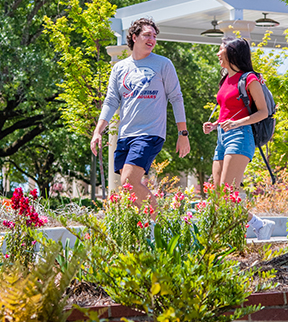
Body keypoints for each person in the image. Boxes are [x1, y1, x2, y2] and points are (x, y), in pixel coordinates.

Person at [90, 18, 190, 214]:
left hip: (150, 133)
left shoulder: (163, 64)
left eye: (154, 36)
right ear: (134, 37)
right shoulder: (120, 68)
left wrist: (183, 133)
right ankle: (148, 228)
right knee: (128, 190)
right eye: (147, 35)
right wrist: (98, 131)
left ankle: (164, 225)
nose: (152, 39)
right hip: (126, 135)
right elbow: (111, 102)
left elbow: (176, 98)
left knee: (129, 180)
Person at [202, 37, 275, 240]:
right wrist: (215, 124)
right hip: (222, 136)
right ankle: (257, 225)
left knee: (227, 192)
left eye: (221, 50)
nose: (217, 54)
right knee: (217, 195)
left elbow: (263, 112)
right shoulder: (226, 79)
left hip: (240, 136)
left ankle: (245, 230)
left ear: (232, 52)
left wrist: (236, 123)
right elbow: (228, 111)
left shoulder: (250, 78)